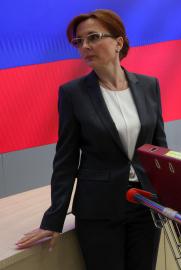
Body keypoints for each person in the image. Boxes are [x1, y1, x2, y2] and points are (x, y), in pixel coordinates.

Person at [15, 9, 167, 270]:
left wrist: (172, 196)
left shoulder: (149, 86)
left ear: (118, 43)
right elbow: (66, 159)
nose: (85, 46)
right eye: (79, 42)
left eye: (93, 37)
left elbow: (159, 149)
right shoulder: (73, 94)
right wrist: (53, 219)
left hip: (145, 206)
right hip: (98, 210)